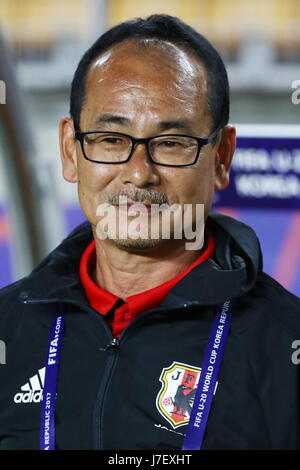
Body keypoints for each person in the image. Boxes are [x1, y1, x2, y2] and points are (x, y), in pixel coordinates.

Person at [0, 14, 300, 451]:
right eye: (111, 139)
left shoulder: (283, 346)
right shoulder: (9, 329)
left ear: (222, 157)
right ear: (70, 150)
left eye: (172, 143)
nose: (139, 174)